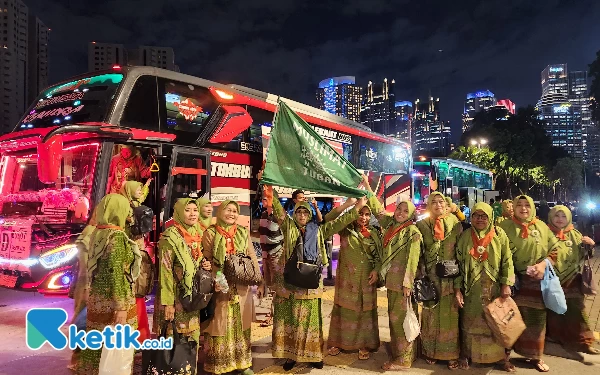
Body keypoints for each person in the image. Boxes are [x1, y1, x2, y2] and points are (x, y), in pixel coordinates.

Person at [270, 192, 367, 370]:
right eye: (299, 212)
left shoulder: (319, 229)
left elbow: (339, 222)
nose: (302, 216)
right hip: (291, 284)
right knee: (292, 320)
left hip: (311, 285)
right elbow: (277, 208)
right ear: (294, 213)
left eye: (305, 213)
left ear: (310, 215)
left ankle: (314, 356)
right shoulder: (288, 227)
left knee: (311, 322)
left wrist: (358, 207)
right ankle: (291, 357)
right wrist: (267, 187)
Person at [75, 194, 142, 374]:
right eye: (126, 209)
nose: (129, 214)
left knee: (97, 347)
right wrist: (121, 306)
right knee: (116, 351)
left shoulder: (97, 233)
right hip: (115, 301)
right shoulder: (117, 237)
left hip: (98, 299)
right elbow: (116, 273)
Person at [499, 195, 559, 372]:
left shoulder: (542, 227)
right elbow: (498, 253)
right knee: (508, 320)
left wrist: (542, 265)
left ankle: (535, 357)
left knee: (537, 321)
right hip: (513, 281)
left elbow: (555, 250)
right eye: (519, 205)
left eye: (527, 205)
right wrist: (506, 279)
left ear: (532, 207)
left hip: (537, 283)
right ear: (514, 207)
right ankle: (504, 357)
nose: (523, 208)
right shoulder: (504, 227)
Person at [455, 203, 516, 371]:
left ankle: (499, 358)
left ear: (490, 217)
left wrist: (506, 284)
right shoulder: (465, 236)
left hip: (494, 287)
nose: (480, 219)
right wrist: (457, 289)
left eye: (484, 216)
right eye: (476, 215)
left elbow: (507, 260)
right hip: (471, 289)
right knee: (469, 322)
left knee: (496, 322)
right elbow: (458, 264)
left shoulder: (499, 234)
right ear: (471, 217)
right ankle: (467, 355)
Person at [202, 200, 260, 375]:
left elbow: (251, 256)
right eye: (228, 210)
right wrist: (214, 278)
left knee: (241, 323)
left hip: (241, 285)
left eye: (235, 211)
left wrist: (259, 280)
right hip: (221, 284)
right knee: (219, 323)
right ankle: (218, 365)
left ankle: (242, 364)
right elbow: (207, 259)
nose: (232, 214)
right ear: (220, 212)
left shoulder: (242, 232)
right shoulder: (210, 233)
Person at [154, 198, 211, 373]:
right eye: (188, 210)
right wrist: (168, 303)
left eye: (195, 209)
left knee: (191, 341)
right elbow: (165, 272)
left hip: (191, 299)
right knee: (173, 340)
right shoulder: (169, 238)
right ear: (178, 213)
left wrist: (204, 264)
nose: (193, 213)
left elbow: (196, 261)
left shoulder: (197, 233)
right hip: (174, 300)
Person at [325, 196, 380, 360]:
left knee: (365, 312)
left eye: (367, 214)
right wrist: (349, 206)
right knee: (344, 310)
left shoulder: (375, 233)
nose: (363, 217)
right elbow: (328, 222)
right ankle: (339, 342)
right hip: (347, 279)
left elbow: (380, 256)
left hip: (367, 279)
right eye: (360, 213)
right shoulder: (345, 229)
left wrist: (376, 270)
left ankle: (365, 344)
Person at [372, 197, 422, 371]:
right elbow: (378, 211)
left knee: (400, 321)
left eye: (405, 211)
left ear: (411, 215)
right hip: (392, 283)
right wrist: (367, 187)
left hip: (402, 285)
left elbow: (412, 260)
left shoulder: (412, 232)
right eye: (398, 209)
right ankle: (405, 353)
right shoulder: (392, 226)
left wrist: (407, 283)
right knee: (395, 319)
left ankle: (403, 360)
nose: (400, 213)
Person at [415, 192, 462, 369]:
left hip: (450, 277)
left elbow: (459, 252)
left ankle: (451, 354)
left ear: (446, 204)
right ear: (428, 206)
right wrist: (420, 274)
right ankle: (430, 351)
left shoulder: (455, 224)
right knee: (430, 316)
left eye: (441, 201)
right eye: (433, 202)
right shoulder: (421, 225)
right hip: (430, 279)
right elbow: (418, 253)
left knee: (450, 317)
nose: (437, 205)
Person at [546, 205, 599, 354]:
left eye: (563, 216)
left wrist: (589, 246)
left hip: (572, 279)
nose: (560, 219)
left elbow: (585, 255)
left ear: (569, 217)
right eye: (557, 216)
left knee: (577, 310)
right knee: (554, 310)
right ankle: (555, 337)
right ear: (551, 217)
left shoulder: (575, 234)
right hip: (551, 279)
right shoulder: (544, 233)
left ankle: (584, 342)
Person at [258, 195, 283, 327]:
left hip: (276, 254)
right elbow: (263, 236)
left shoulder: (278, 216)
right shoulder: (263, 215)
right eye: (263, 198)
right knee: (269, 284)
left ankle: (274, 315)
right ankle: (272, 313)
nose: (263, 200)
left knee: (276, 286)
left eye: (266, 198)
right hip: (266, 255)